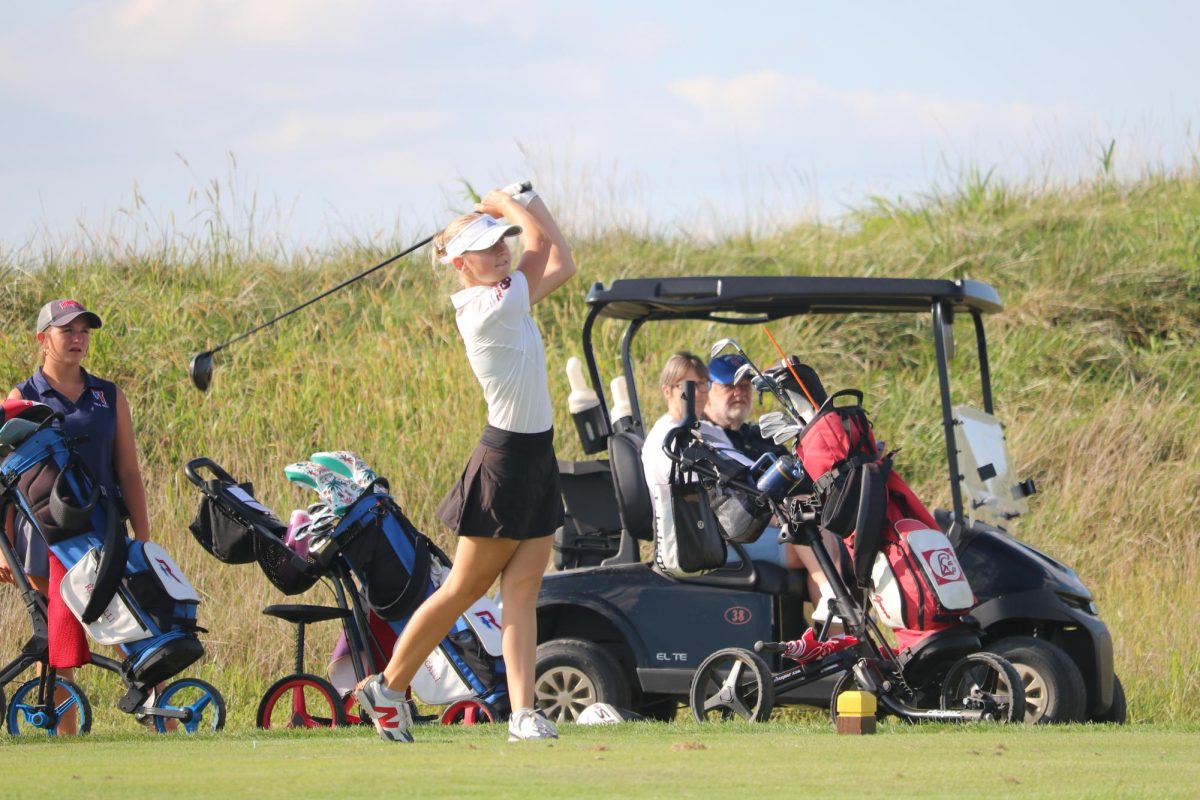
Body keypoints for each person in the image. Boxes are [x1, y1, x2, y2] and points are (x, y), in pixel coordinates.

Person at [355, 184, 576, 743]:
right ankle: (388, 686)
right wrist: (506, 203)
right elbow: (541, 239)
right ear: (459, 264)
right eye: (486, 246)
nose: (501, 250)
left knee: (523, 589)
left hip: (536, 457)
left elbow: (563, 260)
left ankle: (523, 714)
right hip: (503, 462)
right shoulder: (486, 306)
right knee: (461, 590)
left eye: (501, 242)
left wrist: (529, 196)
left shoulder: (510, 296)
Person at [3, 299, 156, 733]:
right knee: (54, 632)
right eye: (67, 330)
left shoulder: (108, 395)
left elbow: (128, 470)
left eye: (84, 331)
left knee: (133, 624)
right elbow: (7, 482)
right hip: (43, 534)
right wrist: (4, 546)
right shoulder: (23, 397)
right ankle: (63, 736)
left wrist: (142, 537)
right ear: (42, 339)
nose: (77, 339)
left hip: (105, 529)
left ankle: (160, 719)